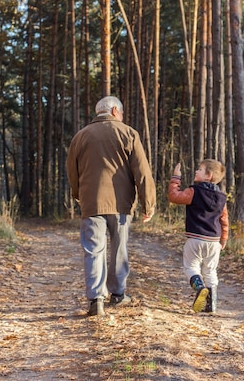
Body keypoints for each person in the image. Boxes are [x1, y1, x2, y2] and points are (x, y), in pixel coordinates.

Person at [66, 96, 156, 317]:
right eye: (122, 113)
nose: (122, 116)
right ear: (115, 110)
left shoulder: (81, 136)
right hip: (121, 204)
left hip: (92, 202)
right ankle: (117, 295)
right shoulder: (128, 133)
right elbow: (142, 172)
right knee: (119, 249)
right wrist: (148, 203)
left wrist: (79, 195)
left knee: (93, 250)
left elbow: (72, 171)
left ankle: (96, 299)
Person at [167, 159, 229, 313]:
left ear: (208, 175)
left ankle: (199, 287)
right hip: (214, 241)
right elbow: (224, 220)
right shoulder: (221, 198)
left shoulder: (194, 192)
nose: (196, 171)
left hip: (195, 239)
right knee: (210, 270)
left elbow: (174, 196)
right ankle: (211, 304)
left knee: (191, 267)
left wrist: (176, 178)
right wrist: (224, 239)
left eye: (200, 169)